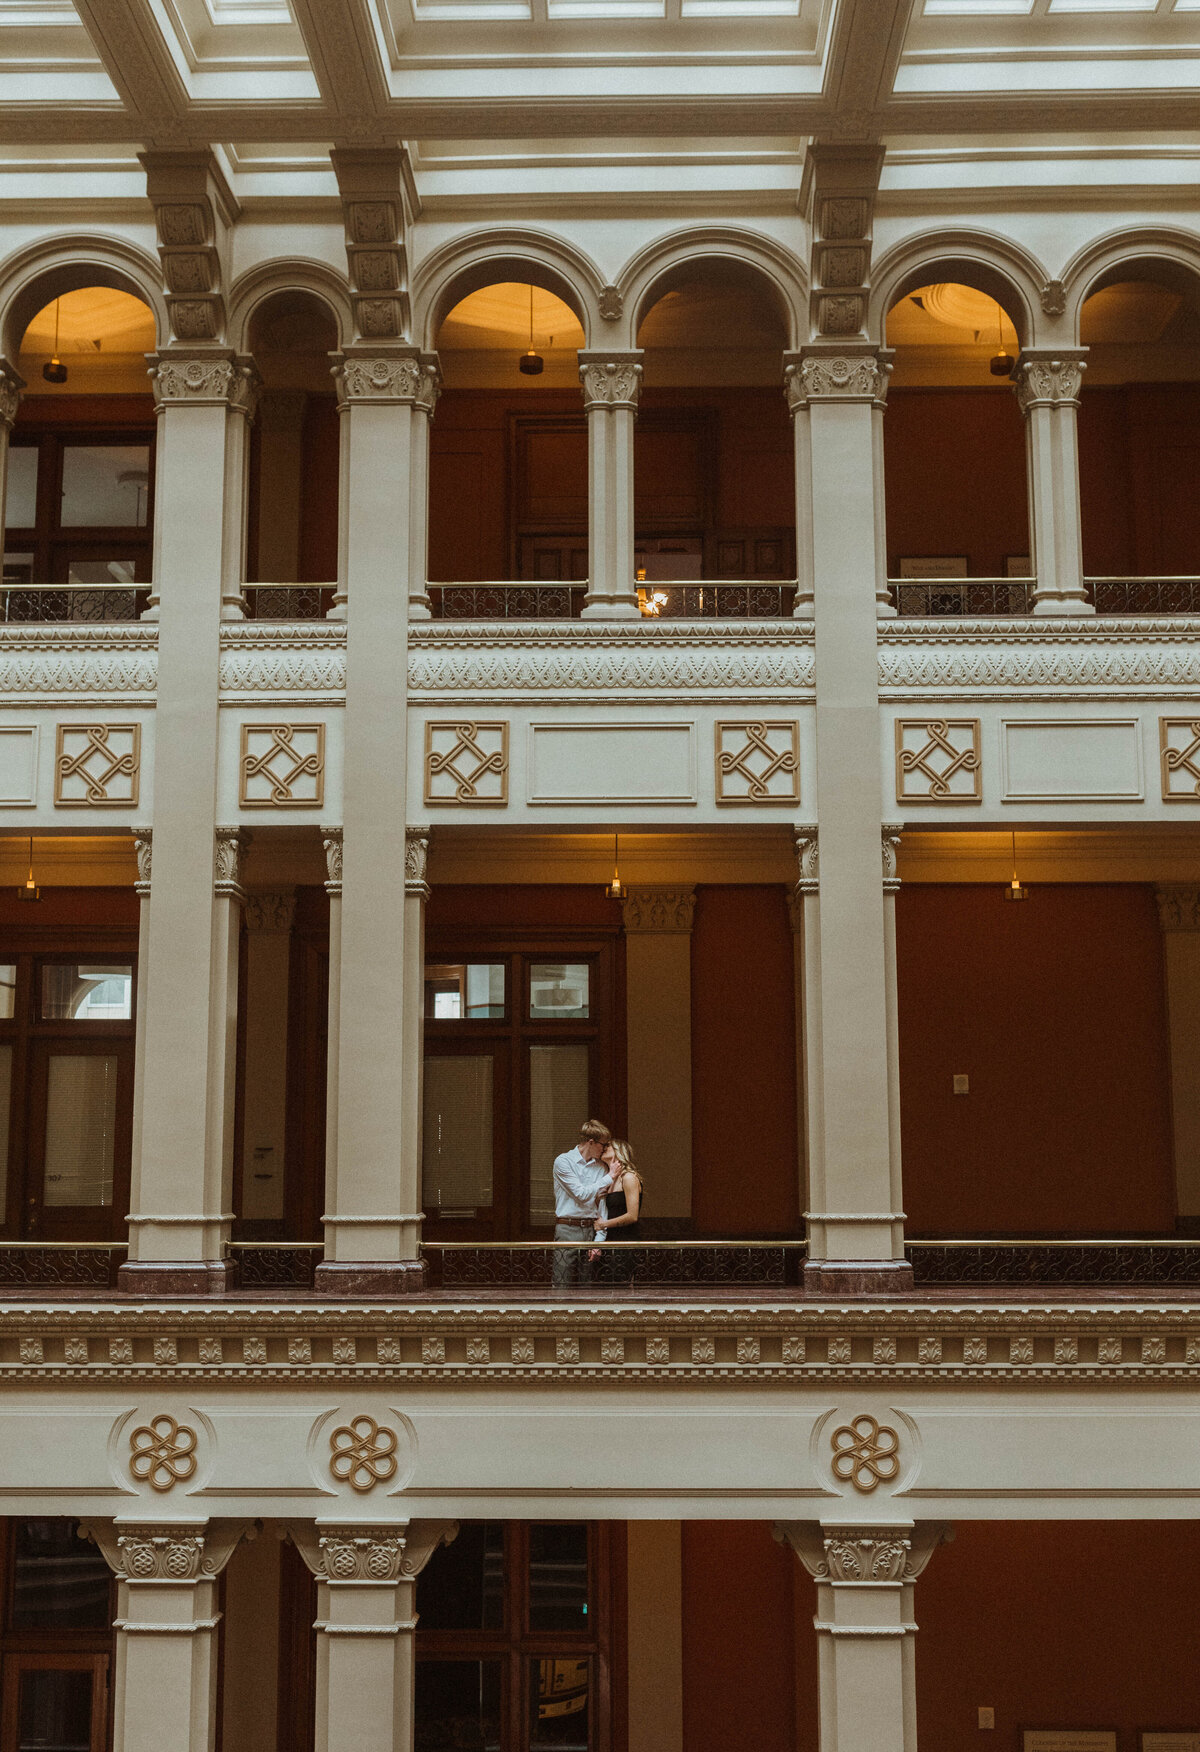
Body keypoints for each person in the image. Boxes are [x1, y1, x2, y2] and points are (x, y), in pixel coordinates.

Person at [551, 1118, 615, 1286]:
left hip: (590, 1229)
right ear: (591, 1142)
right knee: (561, 1282)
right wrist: (608, 1178)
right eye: (603, 1145)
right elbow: (581, 1194)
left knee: (587, 1284)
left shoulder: (601, 1167)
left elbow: (602, 1206)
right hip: (567, 1229)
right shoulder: (563, 1161)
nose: (604, 1149)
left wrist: (599, 1241)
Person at [590, 1139, 644, 1284]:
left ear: (619, 1151)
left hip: (625, 1240)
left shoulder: (629, 1177)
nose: (604, 1148)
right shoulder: (610, 1178)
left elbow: (632, 1216)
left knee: (620, 1285)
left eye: (609, 1146)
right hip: (610, 1239)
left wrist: (603, 1224)